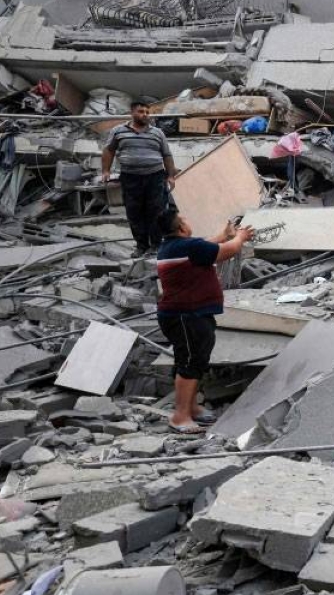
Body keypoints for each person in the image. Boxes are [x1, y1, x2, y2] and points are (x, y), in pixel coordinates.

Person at [156, 209, 255, 433]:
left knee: (192, 359)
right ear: (181, 228)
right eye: (185, 219)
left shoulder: (175, 247)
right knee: (191, 363)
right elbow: (225, 252)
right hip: (186, 315)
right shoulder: (188, 248)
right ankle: (180, 416)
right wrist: (239, 237)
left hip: (187, 314)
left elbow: (206, 246)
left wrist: (223, 234)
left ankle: (191, 408)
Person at [102, 100, 177, 255]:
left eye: (147, 112)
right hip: (130, 178)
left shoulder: (158, 133)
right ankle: (141, 246)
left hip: (155, 177)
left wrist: (170, 176)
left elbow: (167, 155)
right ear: (132, 113)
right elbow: (109, 151)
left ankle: (156, 245)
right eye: (141, 111)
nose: (145, 115)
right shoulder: (118, 131)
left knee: (156, 211)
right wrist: (105, 171)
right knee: (134, 212)